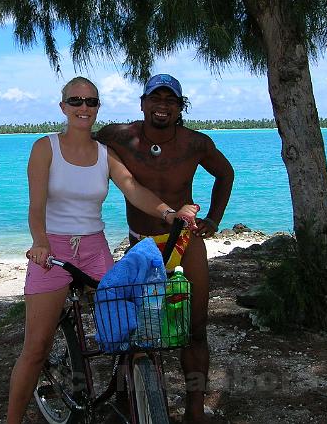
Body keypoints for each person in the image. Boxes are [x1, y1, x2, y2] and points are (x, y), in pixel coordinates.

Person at [7, 76, 198, 423]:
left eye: (91, 102)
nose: (83, 108)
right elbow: (36, 207)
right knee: (35, 350)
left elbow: (133, 188)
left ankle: (134, 400)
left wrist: (168, 213)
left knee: (129, 329)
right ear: (63, 107)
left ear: (97, 108)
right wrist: (40, 242)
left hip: (95, 248)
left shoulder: (104, 155)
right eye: (76, 101)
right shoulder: (44, 148)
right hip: (52, 250)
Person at [96, 73, 234, 424]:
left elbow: (225, 174)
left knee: (195, 327)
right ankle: (137, 401)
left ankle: (194, 408)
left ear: (179, 107)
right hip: (142, 244)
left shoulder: (194, 143)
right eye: (155, 99)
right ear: (142, 104)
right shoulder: (119, 137)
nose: (162, 106)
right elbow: (79, 149)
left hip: (185, 242)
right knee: (141, 329)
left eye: (170, 101)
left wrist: (214, 220)